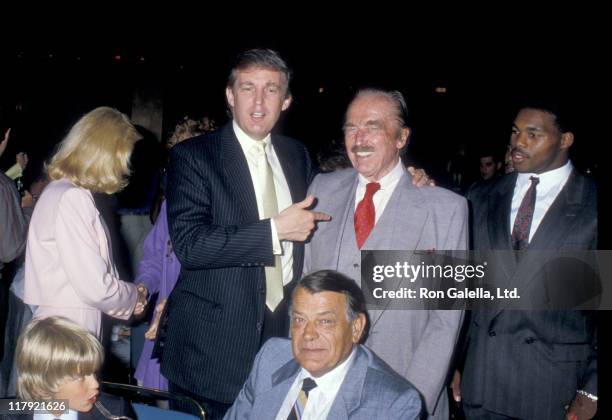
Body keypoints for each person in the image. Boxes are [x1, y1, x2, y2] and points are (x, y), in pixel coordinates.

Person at [161, 48, 330, 419]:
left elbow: (340, 194)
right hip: (210, 352)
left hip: (282, 341)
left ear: (285, 101)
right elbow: (190, 245)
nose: (258, 101)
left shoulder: (297, 155)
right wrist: (275, 230)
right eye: (248, 87)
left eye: (270, 90)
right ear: (230, 95)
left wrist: (414, 182)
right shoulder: (194, 157)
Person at [304, 88, 468, 419]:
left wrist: (408, 402)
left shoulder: (446, 209)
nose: (358, 138)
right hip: (323, 388)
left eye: (372, 126)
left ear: (401, 137)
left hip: (403, 386)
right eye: (351, 127)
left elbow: (445, 320)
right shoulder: (321, 190)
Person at [454, 101, 598, 419]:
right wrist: (453, 362)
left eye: (533, 134)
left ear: (565, 140)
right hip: (482, 381)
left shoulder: (592, 204)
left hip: (553, 389)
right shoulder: (480, 195)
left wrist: (592, 388)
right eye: (516, 132)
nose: (518, 143)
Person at [225, 269, 422, 419]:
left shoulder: (393, 404)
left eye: (325, 321)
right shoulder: (271, 357)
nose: (308, 335)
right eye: (300, 320)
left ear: (356, 327)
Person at [24, 107, 148, 338]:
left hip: (59, 323)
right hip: (72, 328)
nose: (124, 167)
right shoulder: (73, 197)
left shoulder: (57, 190)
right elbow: (96, 287)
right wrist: (133, 296)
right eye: (122, 157)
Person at [134, 116, 215, 391]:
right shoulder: (171, 205)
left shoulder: (221, 207)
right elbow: (155, 257)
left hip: (199, 341)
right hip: (162, 335)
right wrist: (144, 287)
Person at [6, 316, 135, 419]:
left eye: (94, 372)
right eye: (80, 377)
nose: (95, 383)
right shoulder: (7, 411)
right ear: (40, 386)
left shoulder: (114, 411)